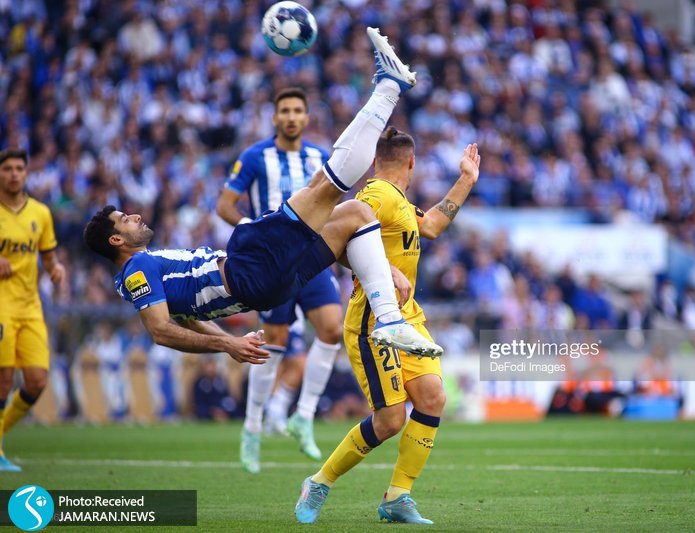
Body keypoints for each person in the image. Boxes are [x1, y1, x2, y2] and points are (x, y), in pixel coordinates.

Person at [83, 28, 441, 379]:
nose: (135, 216)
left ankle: (389, 320)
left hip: (266, 285)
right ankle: (389, 88)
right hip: (249, 269)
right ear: (116, 240)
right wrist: (227, 344)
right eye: (125, 219)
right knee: (326, 185)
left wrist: (229, 343)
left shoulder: (147, 275)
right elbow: (160, 330)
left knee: (355, 214)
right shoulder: (136, 270)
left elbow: (186, 320)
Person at [295, 128, 480, 524]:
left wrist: (466, 180)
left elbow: (432, 225)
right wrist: (386, 270)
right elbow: (333, 235)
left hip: (407, 318)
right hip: (373, 323)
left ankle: (398, 496)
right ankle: (319, 482)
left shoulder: (399, 202)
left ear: (377, 160)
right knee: (391, 420)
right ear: (411, 162)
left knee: (432, 397)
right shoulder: (377, 195)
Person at [216, 87, 343, 469]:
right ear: (275, 118)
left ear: (306, 117)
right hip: (272, 264)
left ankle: (303, 416)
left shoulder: (320, 158)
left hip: (312, 257)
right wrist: (255, 233)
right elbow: (224, 206)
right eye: (284, 110)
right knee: (274, 342)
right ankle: (252, 428)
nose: (291, 117)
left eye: (297, 110)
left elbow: (334, 206)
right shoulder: (255, 157)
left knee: (331, 329)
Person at [0, 148, 66, 471]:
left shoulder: (40, 213)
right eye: (7, 168)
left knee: (37, 381)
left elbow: (48, 256)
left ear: (26, 173)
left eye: (19, 168)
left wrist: (56, 268)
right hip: (1, 305)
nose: (13, 174)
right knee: (3, 379)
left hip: (30, 306)